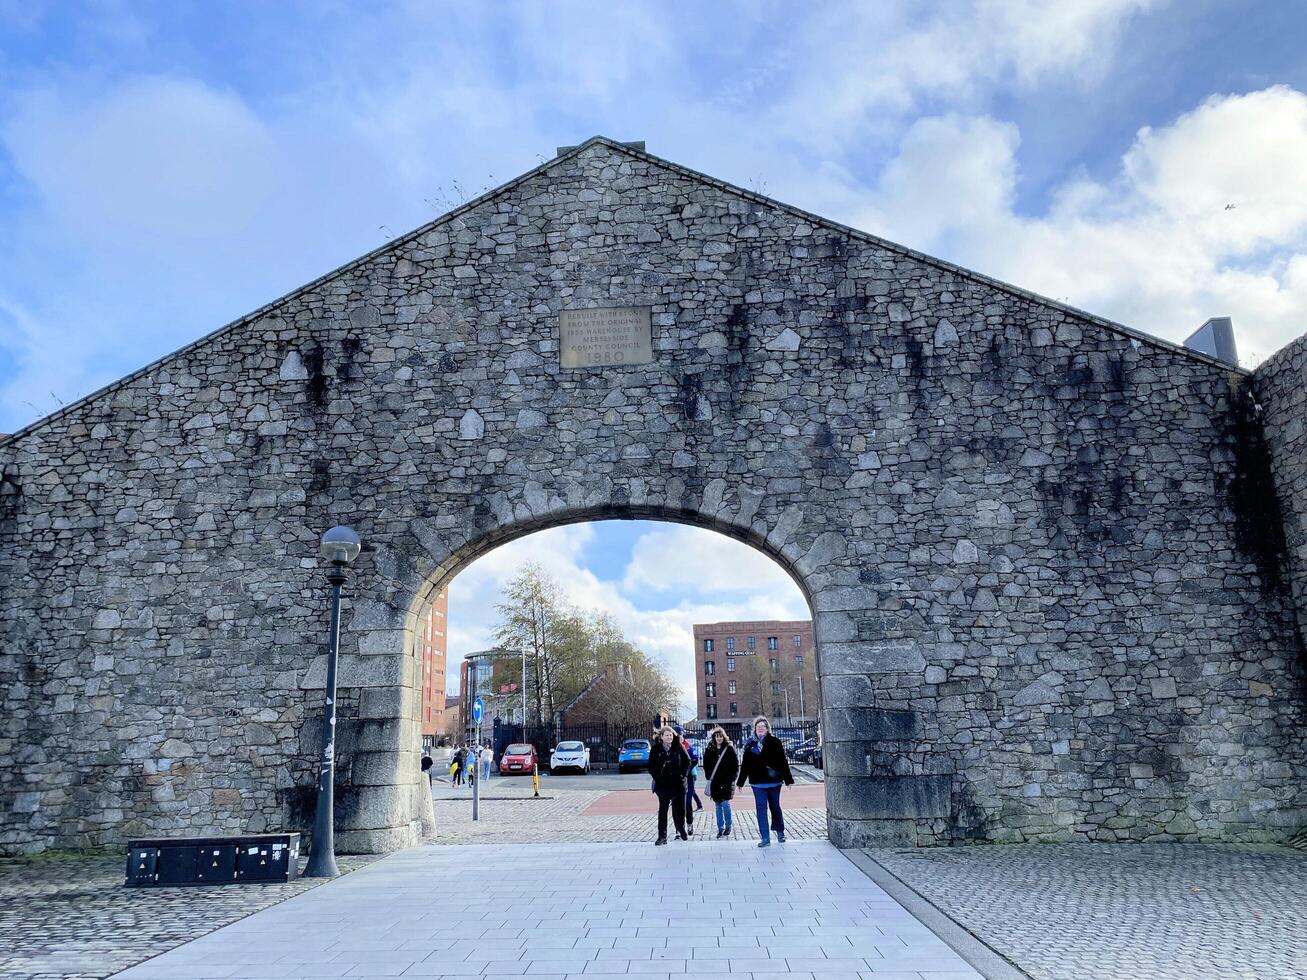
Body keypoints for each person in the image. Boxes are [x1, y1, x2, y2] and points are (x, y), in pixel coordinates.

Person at [737, 716, 794, 847]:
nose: (760, 729)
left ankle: (780, 832)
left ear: (767, 729)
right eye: (758, 727)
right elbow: (745, 764)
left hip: (774, 781)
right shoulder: (750, 744)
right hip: (757, 782)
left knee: (775, 806)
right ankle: (765, 837)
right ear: (755, 730)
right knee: (761, 809)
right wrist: (740, 781)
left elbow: (783, 761)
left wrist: (788, 779)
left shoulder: (775, 742)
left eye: (763, 727)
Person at [647, 724, 691, 845]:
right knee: (663, 810)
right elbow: (651, 766)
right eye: (667, 735)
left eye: (671, 735)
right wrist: (658, 777)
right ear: (661, 737)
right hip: (663, 784)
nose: (669, 737)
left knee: (680, 809)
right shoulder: (656, 749)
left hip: (678, 783)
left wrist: (683, 774)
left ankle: (681, 828)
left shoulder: (678, 746)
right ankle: (662, 836)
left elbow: (687, 761)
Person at [702, 725, 739, 838]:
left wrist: (732, 778)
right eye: (717, 736)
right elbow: (706, 765)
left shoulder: (729, 748)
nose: (719, 738)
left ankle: (728, 825)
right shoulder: (709, 749)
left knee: (725, 803)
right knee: (718, 805)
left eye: (720, 736)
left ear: (724, 737)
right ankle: (720, 828)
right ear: (714, 737)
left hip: (726, 781)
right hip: (715, 782)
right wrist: (709, 776)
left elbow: (735, 765)